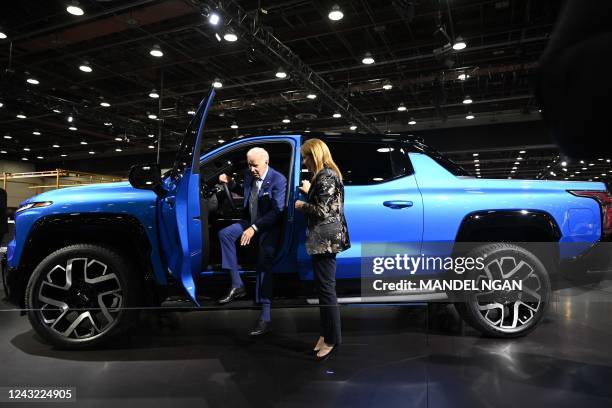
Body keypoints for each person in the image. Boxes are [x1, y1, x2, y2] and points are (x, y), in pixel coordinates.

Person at [217, 147, 287, 336]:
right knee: (225, 234)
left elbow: (277, 211)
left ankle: (265, 317)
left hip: (268, 226)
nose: (251, 169)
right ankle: (237, 284)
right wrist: (231, 184)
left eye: (254, 165)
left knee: (264, 262)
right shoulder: (249, 176)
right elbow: (246, 191)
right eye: (249, 165)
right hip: (250, 220)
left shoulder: (278, 180)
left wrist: (254, 228)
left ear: (266, 162)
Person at [294, 138, 350, 360]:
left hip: (326, 240)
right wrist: (310, 190)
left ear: (314, 156)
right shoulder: (326, 175)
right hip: (325, 239)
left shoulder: (326, 175)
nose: (304, 162)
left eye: (305, 158)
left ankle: (332, 339)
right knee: (324, 289)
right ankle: (326, 334)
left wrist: (301, 205)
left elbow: (323, 211)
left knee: (327, 291)